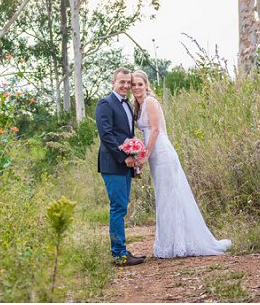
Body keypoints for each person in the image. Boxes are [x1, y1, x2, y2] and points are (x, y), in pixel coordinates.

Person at [131, 70, 232, 258]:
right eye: (133, 84)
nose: (136, 87)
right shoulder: (138, 105)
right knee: (164, 195)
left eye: (140, 84)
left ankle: (180, 243)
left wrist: (144, 155)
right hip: (153, 153)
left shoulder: (150, 102)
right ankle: (171, 242)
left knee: (172, 195)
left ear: (146, 85)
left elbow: (155, 130)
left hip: (161, 151)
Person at [95, 67, 147, 267]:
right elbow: (106, 135)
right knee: (118, 207)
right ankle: (119, 254)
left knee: (122, 206)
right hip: (113, 163)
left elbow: (126, 135)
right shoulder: (105, 104)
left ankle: (121, 250)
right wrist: (123, 157)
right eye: (122, 82)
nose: (126, 85)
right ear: (113, 83)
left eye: (128, 82)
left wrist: (134, 155)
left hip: (126, 163)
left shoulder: (127, 105)